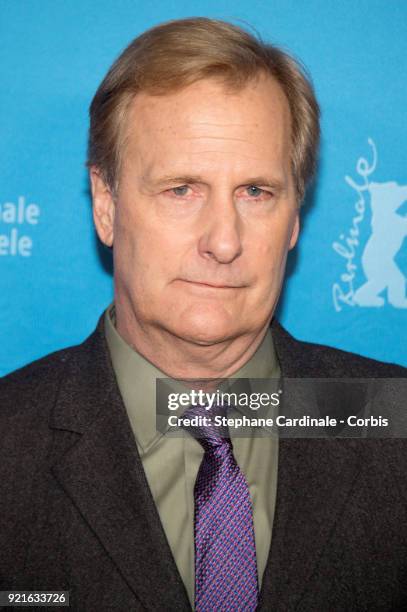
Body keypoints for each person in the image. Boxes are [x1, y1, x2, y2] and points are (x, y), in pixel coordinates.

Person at [1, 17, 406, 612]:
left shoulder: (392, 423)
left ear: (295, 219)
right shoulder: (10, 445)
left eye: (256, 193)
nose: (223, 240)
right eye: (182, 189)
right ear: (107, 205)